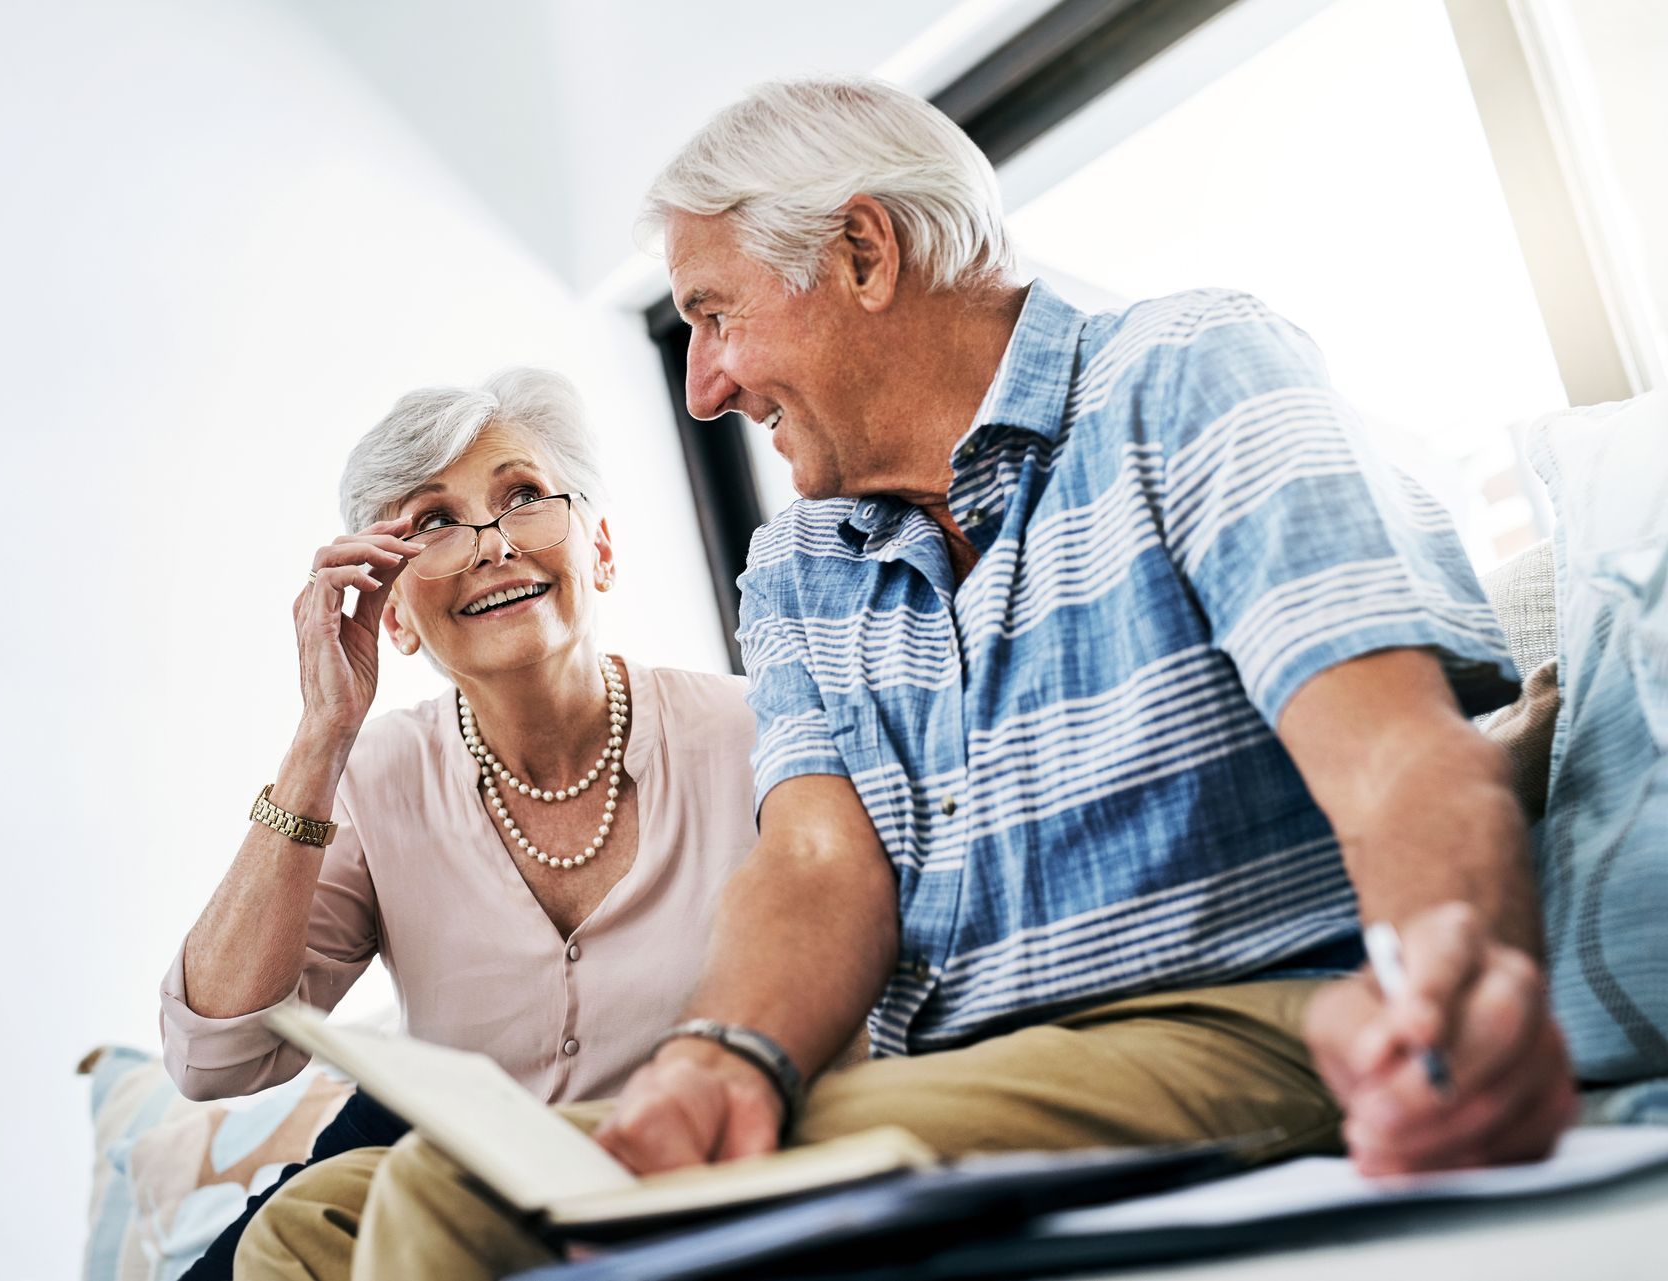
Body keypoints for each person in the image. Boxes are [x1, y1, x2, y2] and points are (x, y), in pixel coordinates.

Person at [248, 77, 1579, 1281]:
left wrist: (1443, 984)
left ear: (865, 254)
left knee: (456, 1208)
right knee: (310, 1224)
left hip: (1239, 1024)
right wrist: (729, 1055)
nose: (705, 385)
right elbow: (820, 865)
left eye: (715, 315)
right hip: (974, 1075)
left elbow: (1392, 745)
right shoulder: (800, 565)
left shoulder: (1184, 374)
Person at [159, 368, 757, 1279]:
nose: (490, 544)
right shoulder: (371, 773)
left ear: (598, 549)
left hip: (682, 1162)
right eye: (434, 522)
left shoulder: (753, 731)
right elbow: (219, 1056)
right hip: (448, 1155)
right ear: (391, 611)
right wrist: (321, 736)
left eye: (523, 497)